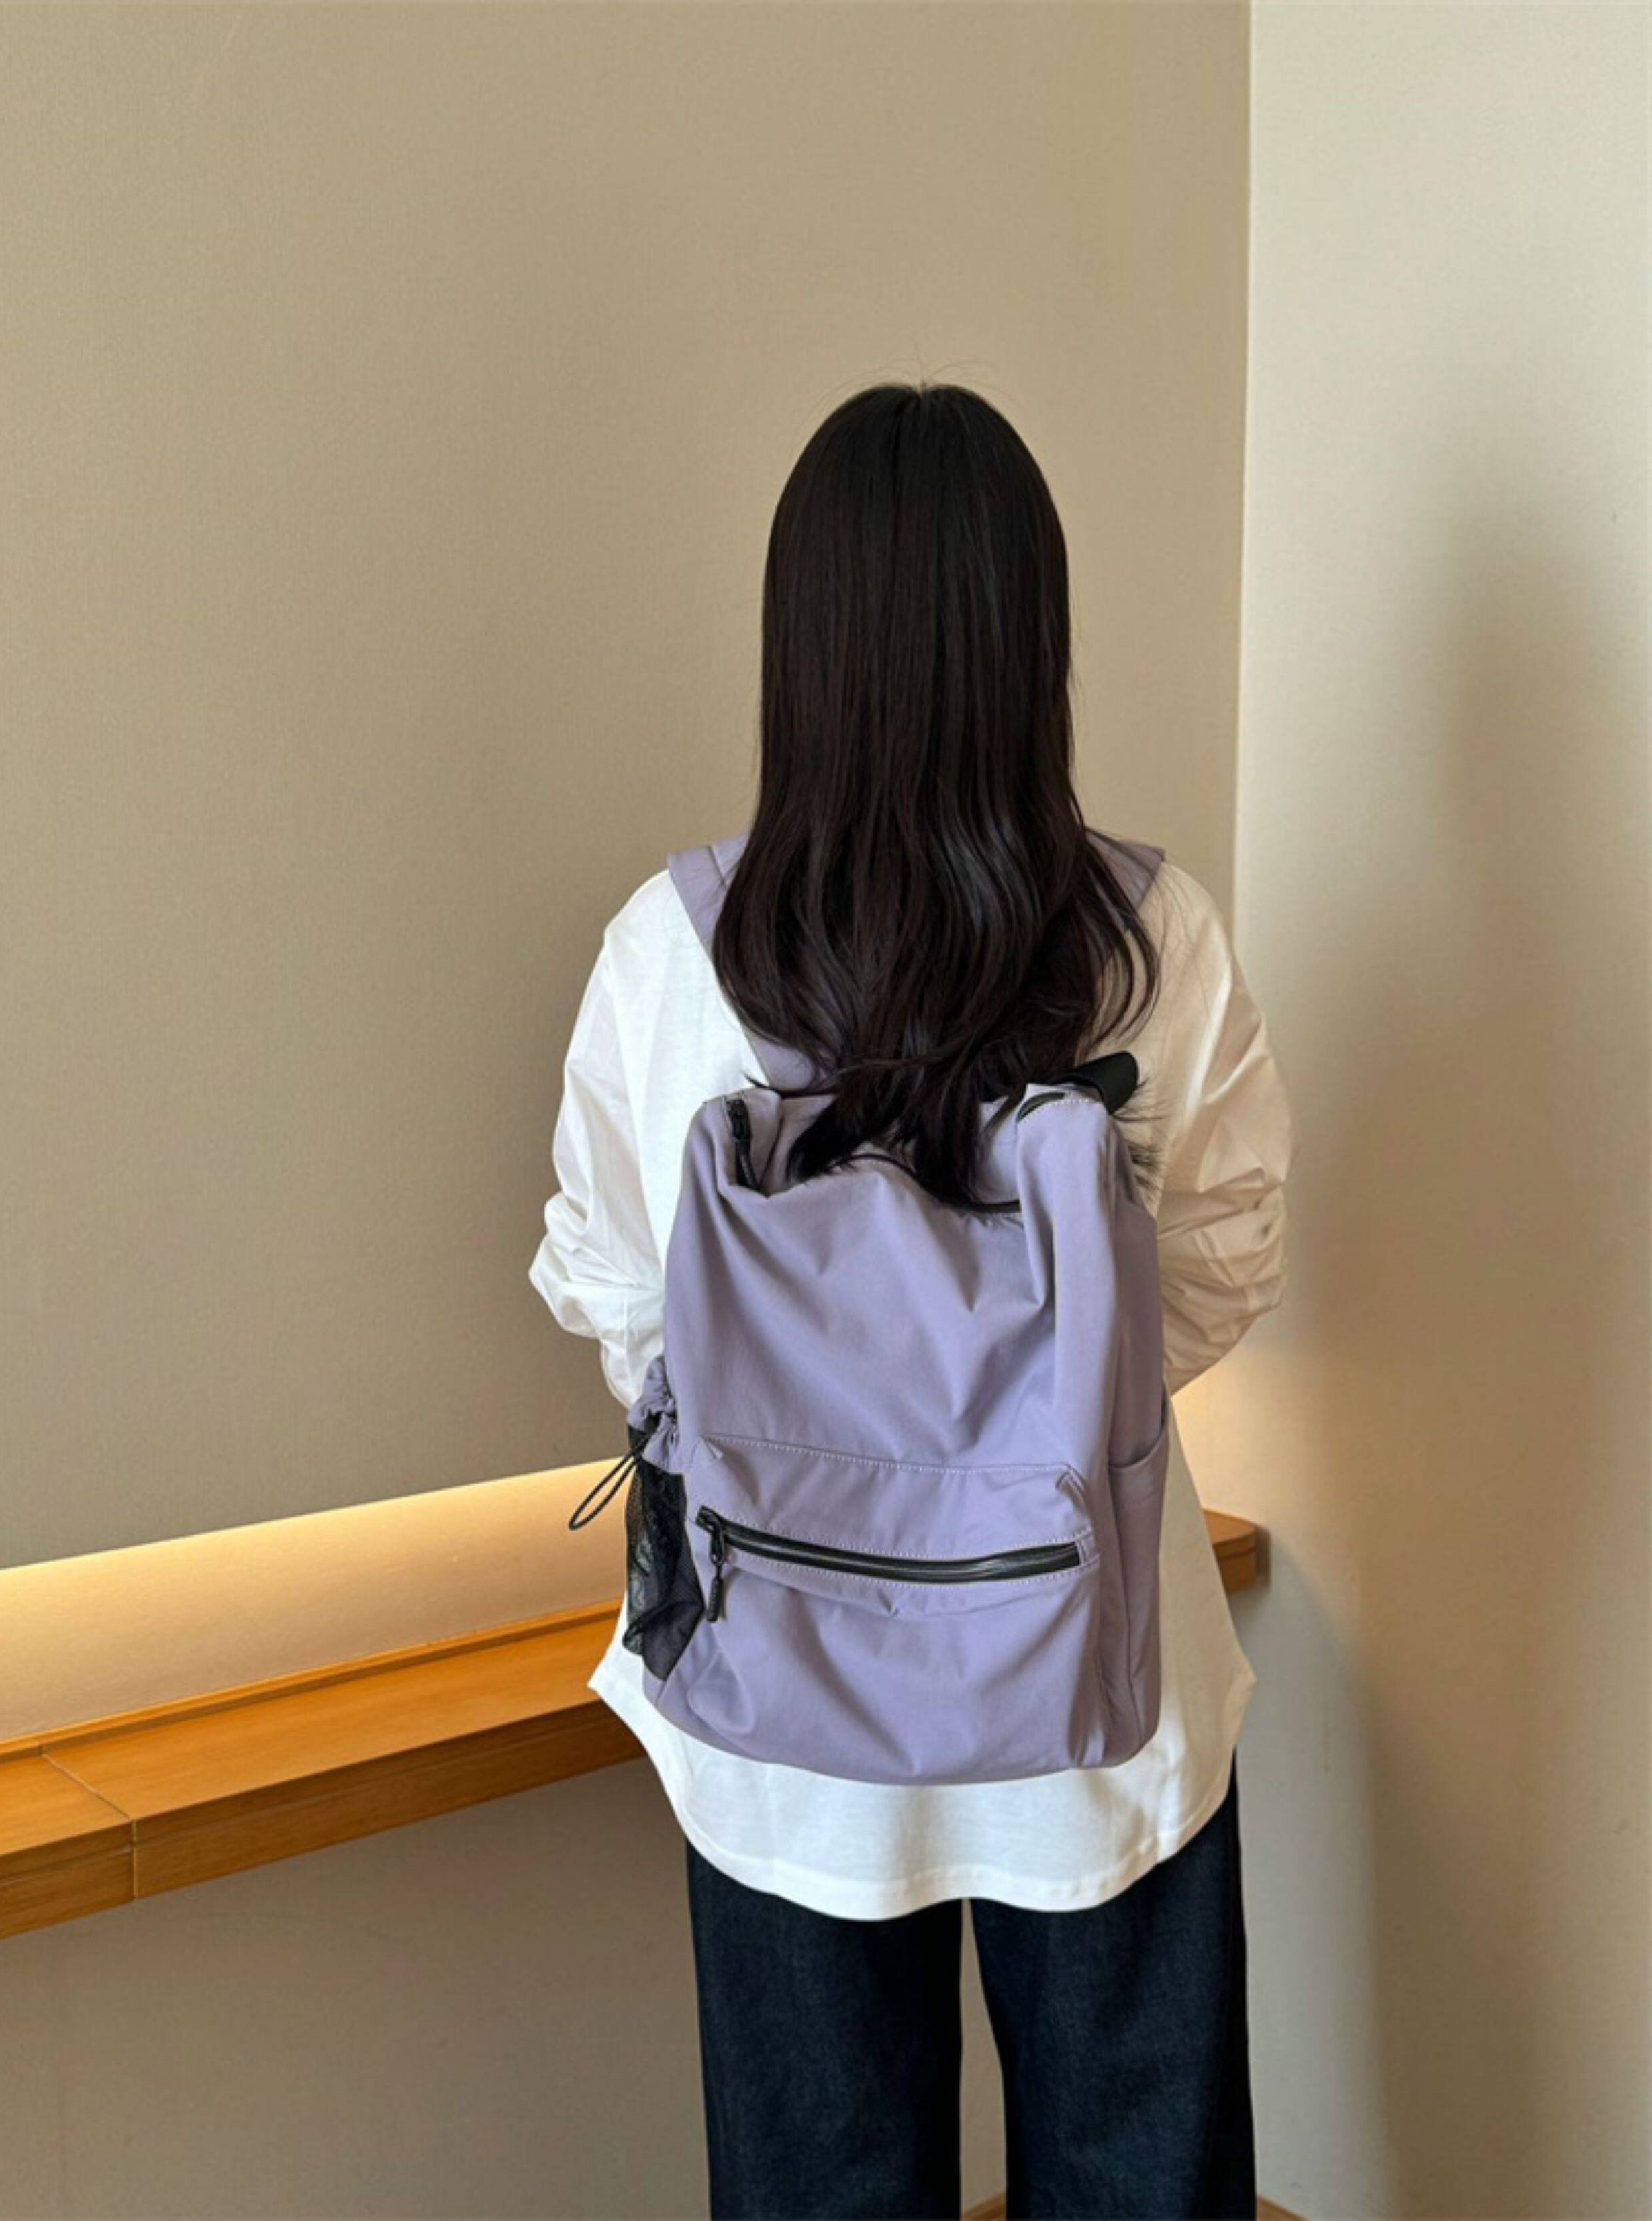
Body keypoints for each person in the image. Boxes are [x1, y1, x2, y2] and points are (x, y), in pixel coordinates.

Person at [530, 382, 1296, 2221]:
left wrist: (810, 1438)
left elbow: (617, 1290)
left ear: (799, 650)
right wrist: (1047, 1420)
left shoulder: (675, 949)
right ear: (1033, 642)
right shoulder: (1153, 937)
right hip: (1101, 1669)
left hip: (777, 1695)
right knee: (1140, 2180)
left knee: (819, 2186)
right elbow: (1227, 1255)